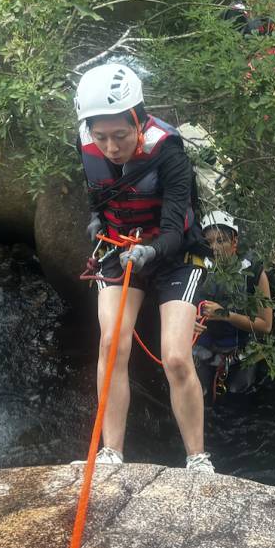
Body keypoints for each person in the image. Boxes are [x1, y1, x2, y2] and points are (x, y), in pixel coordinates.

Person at [76, 62, 216, 473]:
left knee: (174, 356)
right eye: (101, 137)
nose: (111, 147)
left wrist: (152, 252)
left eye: (120, 135)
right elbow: (98, 192)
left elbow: (175, 224)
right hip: (120, 247)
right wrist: (96, 220)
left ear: (139, 119)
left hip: (174, 252)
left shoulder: (167, 149)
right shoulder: (86, 141)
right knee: (110, 344)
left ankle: (197, 457)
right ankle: (111, 452)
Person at [193, 211, 274, 401]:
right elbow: (178, 310)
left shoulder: (253, 272)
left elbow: (266, 325)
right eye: (209, 243)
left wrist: (225, 315)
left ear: (234, 242)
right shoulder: (196, 269)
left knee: (238, 395)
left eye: (221, 241)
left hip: (241, 351)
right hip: (204, 349)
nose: (214, 248)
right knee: (199, 395)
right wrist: (188, 321)